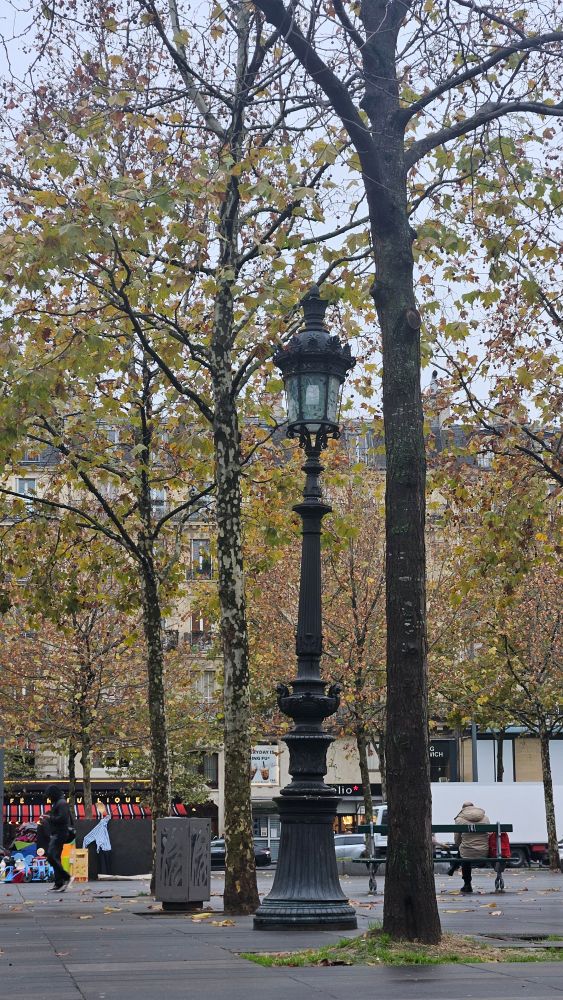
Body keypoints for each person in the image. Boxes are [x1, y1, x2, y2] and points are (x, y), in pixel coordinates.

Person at [450, 800, 490, 894]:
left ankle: (467, 884)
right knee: (464, 851)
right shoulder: (485, 818)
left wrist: (459, 845)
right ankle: (454, 867)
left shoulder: (459, 819)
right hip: (484, 850)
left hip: (467, 852)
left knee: (464, 853)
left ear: (463, 809)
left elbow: (457, 838)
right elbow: (489, 834)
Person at [45, 784, 73, 892]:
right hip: (58, 833)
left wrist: (49, 818)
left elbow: (62, 818)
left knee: (51, 856)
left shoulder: (61, 803)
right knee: (55, 857)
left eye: (49, 796)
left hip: (60, 834)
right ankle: (59, 883)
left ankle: (66, 877)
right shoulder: (59, 802)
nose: (49, 798)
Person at [82, 802, 112, 876]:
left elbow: (87, 838)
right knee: (105, 863)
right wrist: (84, 847)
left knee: (104, 863)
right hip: (103, 848)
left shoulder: (102, 826)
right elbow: (87, 838)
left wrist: (84, 847)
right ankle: (105, 875)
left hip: (104, 847)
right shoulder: (99, 827)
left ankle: (105, 875)